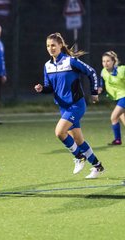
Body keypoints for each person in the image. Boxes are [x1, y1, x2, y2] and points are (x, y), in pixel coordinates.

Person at [34, 32, 105, 179]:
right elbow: (50, 87)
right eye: (48, 46)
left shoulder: (70, 61)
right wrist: (42, 89)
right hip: (64, 108)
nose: (50, 48)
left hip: (76, 105)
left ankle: (79, 157)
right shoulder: (47, 66)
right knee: (78, 140)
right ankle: (98, 166)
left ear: (60, 45)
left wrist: (94, 92)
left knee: (59, 132)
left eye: (53, 45)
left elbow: (91, 72)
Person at [98, 51, 125, 145]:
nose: (105, 63)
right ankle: (118, 140)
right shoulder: (103, 71)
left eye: (108, 61)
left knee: (114, 117)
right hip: (118, 98)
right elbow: (102, 82)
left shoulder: (122, 70)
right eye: (103, 61)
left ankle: (117, 140)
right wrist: (100, 88)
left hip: (124, 97)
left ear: (114, 61)